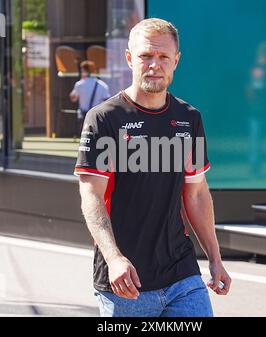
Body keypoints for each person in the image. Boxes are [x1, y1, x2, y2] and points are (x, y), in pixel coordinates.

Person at [74, 18, 231, 317]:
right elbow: (91, 197)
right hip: (125, 282)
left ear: (176, 61)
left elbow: (196, 193)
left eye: (163, 57)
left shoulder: (189, 119)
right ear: (130, 58)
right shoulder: (104, 119)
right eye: (146, 55)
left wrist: (214, 258)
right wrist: (114, 258)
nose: (154, 65)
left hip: (181, 273)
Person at [69, 60, 110, 135]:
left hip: (83, 114)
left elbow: (73, 99)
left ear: (84, 70)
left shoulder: (79, 84)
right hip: (98, 115)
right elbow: (107, 101)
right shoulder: (102, 85)